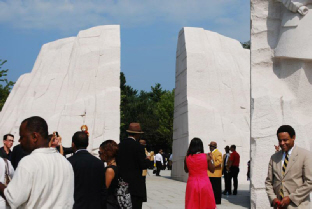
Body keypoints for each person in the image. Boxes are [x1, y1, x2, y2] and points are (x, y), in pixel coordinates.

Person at [0, 116, 74, 208]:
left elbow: (13, 199)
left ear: (34, 137)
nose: (19, 141)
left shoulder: (28, 162)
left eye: (22, 137)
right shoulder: (65, 163)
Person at [265, 125, 312, 208]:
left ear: (293, 137)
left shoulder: (305, 155)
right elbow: (269, 182)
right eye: (280, 141)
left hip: (298, 206)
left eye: (285, 140)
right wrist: (273, 199)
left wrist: (291, 198)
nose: (282, 143)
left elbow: (309, 182)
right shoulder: (274, 158)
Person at [68, 131, 107, 209]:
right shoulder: (99, 163)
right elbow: (103, 189)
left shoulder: (69, 162)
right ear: (87, 144)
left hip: (76, 205)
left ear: (73, 144)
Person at [116, 123, 150, 209]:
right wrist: (148, 160)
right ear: (137, 134)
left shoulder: (119, 146)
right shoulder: (138, 147)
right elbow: (143, 165)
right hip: (135, 185)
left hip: (121, 183)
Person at [184, 137, 216, 209]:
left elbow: (186, 170)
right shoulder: (206, 157)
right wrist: (211, 159)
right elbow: (212, 169)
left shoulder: (187, 158)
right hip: (204, 183)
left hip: (192, 183)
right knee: (206, 204)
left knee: (192, 204)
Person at [99, 140, 119, 209]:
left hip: (110, 204)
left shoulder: (110, 170)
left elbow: (104, 189)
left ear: (106, 153)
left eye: (100, 152)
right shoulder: (117, 166)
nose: (99, 155)